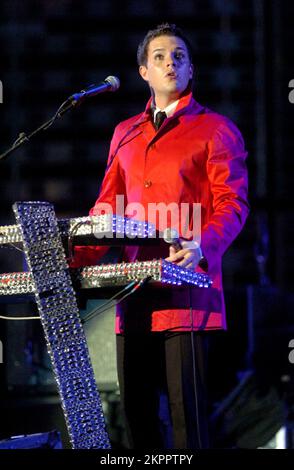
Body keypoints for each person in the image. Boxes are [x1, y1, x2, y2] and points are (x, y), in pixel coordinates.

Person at [73, 23, 249, 449]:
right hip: (133, 294)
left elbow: (234, 203)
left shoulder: (216, 129)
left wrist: (203, 245)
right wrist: (72, 260)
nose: (170, 62)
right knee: (137, 422)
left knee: (188, 423)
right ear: (143, 72)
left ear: (191, 70)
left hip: (186, 293)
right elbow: (107, 209)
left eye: (179, 56)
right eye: (159, 57)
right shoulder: (125, 134)